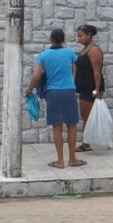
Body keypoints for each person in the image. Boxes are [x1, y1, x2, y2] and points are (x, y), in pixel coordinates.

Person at [25, 28, 85, 168]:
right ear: (63, 40)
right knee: (72, 126)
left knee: (57, 127)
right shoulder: (70, 53)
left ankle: (60, 161)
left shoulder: (44, 56)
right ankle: (73, 159)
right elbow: (76, 67)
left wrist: (29, 89)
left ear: (51, 40)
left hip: (53, 93)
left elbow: (36, 77)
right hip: (69, 91)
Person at [74, 24, 112, 152]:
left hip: (91, 87)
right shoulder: (85, 49)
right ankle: (89, 141)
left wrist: (96, 90)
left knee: (89, 115)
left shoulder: (94, 50)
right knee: (87, 115)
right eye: (78, 36)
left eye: (81, 36)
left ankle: (87, 143)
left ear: (89, 35)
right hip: (84, 86)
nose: (79, 38)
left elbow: (97, 71)